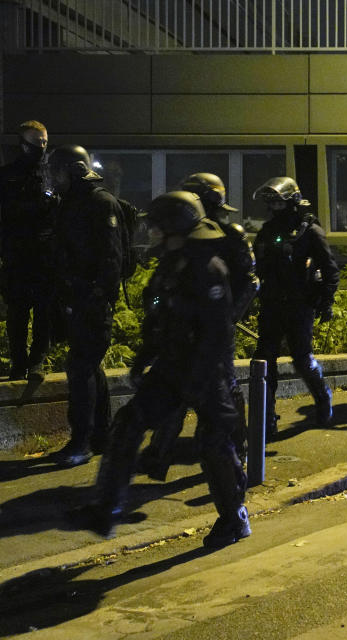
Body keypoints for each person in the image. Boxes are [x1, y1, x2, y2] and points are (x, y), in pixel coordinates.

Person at [69, 190, 250, 547]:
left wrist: (199, 381)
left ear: (176, 227)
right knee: (127, 424)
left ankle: (234, 518)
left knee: (212, 445)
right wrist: (145, 355)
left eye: (157, 226)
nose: (151, 232)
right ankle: (106, 509)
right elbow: (160, 316)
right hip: (172, 365)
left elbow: (217, 333)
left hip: (207, 371)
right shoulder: (173, 261)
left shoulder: (207, 268)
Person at [138, 172, 259, 481]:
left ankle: (237, 451)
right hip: (183, 323)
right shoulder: (184, 233)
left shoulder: (230, 233)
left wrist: (229, 315)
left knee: (224, 389)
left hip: (214, 322)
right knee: (174, 385)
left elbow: (249, 279)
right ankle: (157, 455)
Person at [47, 144, 123, 468]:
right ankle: (101, 436)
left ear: (74, 171)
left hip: (90, 302)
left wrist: (96, 294)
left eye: (58, 171)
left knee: (80, 368)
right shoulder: (72, 203)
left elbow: (112, 257)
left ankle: (81, 442)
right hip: (77, 299)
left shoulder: (99, 202)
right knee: (89, 367)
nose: (53, 178)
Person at [251, 177, 338, 440]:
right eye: (272, 203)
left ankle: (323, 400)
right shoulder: (267, 230)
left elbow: (330, 269)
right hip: (271, 304)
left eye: (279, 202)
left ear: (292, 202)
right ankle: (267, 418)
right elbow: (255, 267)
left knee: (302, 358)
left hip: (300, 304)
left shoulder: (309, 231)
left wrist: (326, 301)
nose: (275, 207)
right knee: (265, 361)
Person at [0, 120, 57, 382]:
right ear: (22, 144)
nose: (42, 147)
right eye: (36, 142)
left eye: (44, 141)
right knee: (18, 312)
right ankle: (18, 363)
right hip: (16, 254)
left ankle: (37, 363)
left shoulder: (53, 173)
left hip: (45, 254)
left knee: (44, 311)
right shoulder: (7, 175)